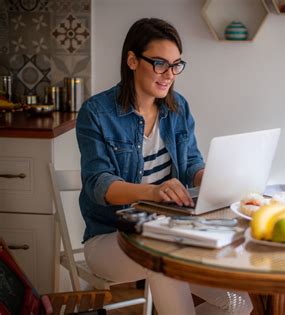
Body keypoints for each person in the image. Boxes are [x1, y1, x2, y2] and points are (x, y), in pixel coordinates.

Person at [76, 18, 252, 315]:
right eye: (159, 63)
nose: (169, 74)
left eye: (176, 65)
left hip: (171, 230)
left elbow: (191, 162)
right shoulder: (96, 113)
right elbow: (99, 184)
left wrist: (206, 176)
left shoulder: (177, 107)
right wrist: (154, 192)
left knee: (242, 300)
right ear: (132, 60)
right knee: (161, 260)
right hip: (110, 237)